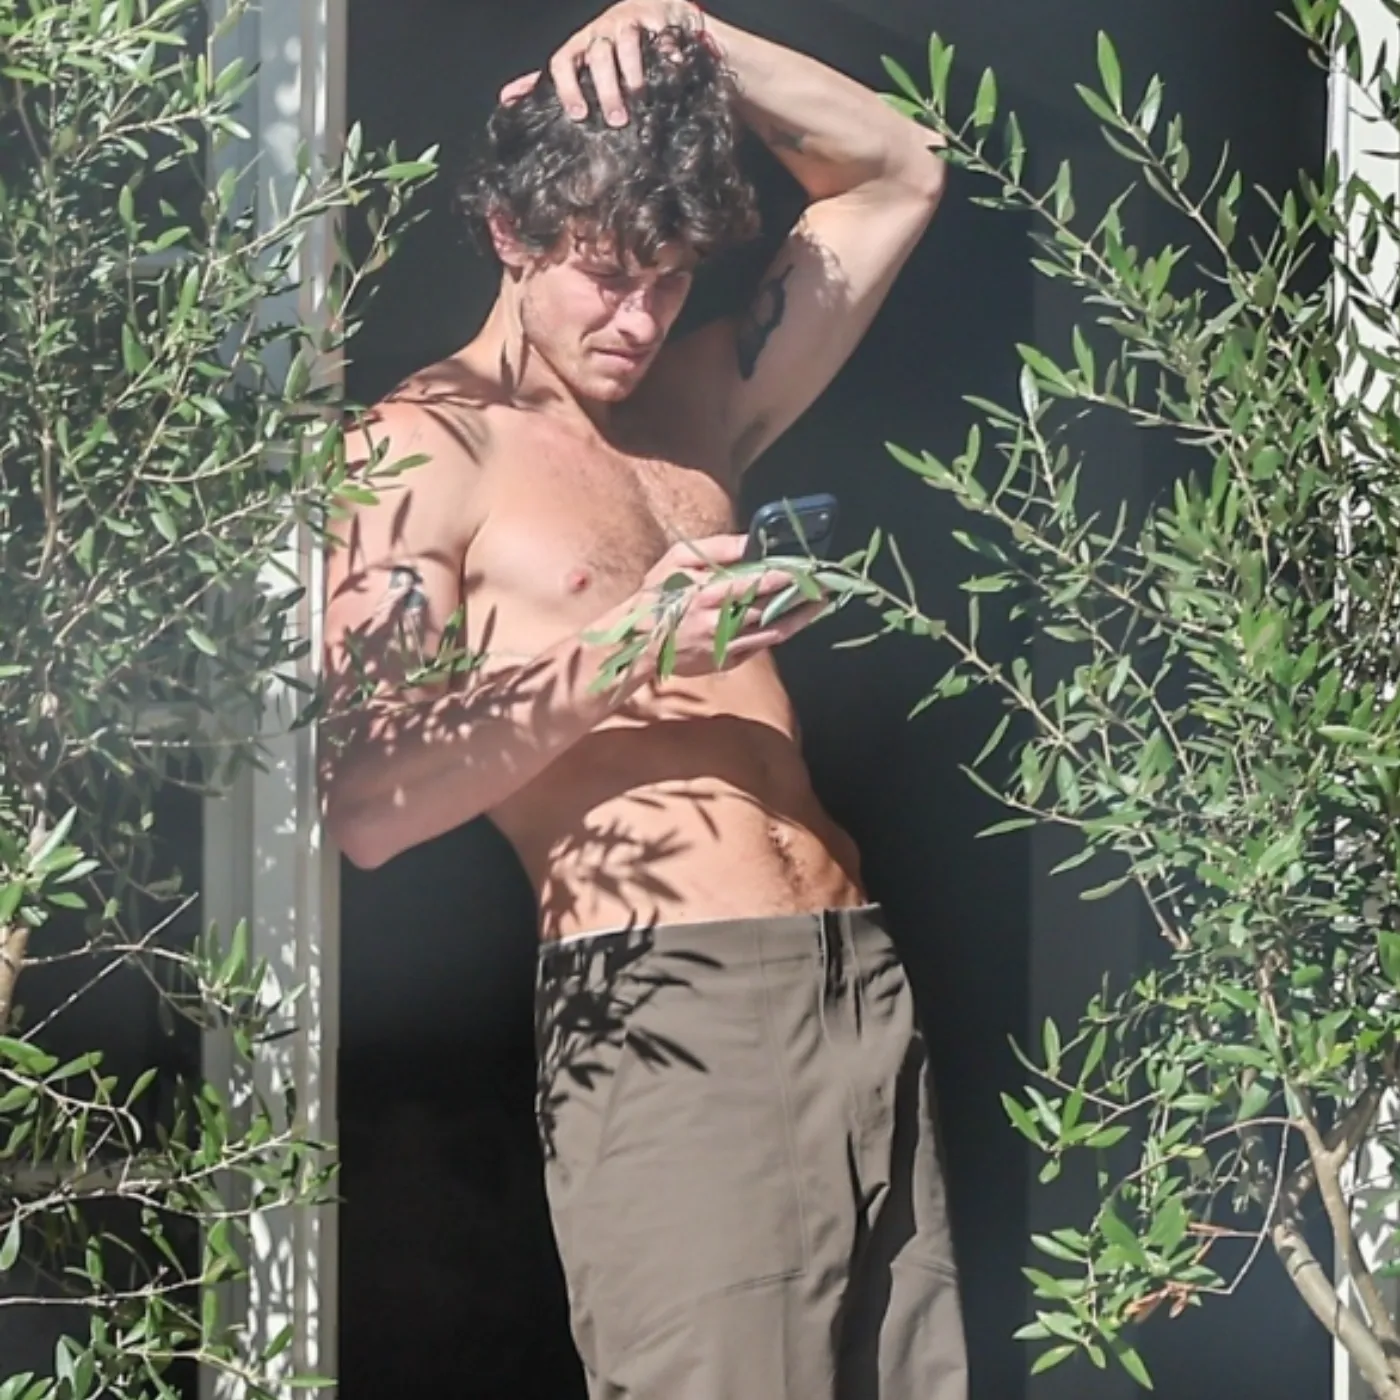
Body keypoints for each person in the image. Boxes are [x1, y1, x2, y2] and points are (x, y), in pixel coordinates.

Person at [320, 4, 963, 1396]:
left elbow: (899, 172)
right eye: (607, 274)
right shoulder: (418, 452)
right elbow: (369, 798)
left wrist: (690, 36)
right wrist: (630, 649)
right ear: (510, 231)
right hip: (672, 1008)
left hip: (855, 980)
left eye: (669, 282)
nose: (637, 320)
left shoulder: (692, 404)